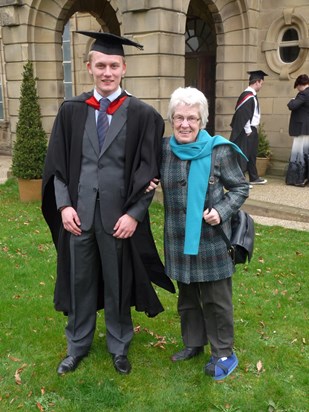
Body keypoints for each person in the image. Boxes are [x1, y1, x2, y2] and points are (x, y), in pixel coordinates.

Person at [41, 31, 175, 376]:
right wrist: (63, 206)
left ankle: (119, 345)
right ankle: (77, 345)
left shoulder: (144, 116)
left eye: (113, 65)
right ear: (89, 68)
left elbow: (150, 172)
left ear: (124, 68)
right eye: (100, 65)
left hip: (118, 217)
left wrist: (134, 214)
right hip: (79, 214)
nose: (107, 72)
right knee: (80, 281)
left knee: (118, 282)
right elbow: (56, 167)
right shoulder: (72, 111)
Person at [160, 87, 249, 380]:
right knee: (187, 296)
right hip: (178, 238)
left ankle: (224, 352)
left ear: (202, 121)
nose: (185, 124)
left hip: (211, 241)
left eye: (192, 118)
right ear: (172, 119)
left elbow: (239, 188)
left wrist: (221, 211)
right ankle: (193, 343)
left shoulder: (219, 150)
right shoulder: (164, 149)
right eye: (179, 117)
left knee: (215, 300)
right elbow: (148, 173)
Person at [230, 70, 268, 185]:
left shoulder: (252, 96)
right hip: (247, 130)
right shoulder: (247, 96)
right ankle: (240, 180)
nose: (261, 86)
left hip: (252, 129)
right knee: (243, 154)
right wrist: (248, 130)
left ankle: (254, 177)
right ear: (257, 82)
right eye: (261, 83)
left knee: (251, 154)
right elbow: (244, 114)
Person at [286, 74, 309, 187]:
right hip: (307, 129)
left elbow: (292, 106)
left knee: (299, 153)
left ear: (300, 85)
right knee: (306, 153)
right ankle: (305, 178)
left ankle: (298, 179)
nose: (297, 89)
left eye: (297, 86)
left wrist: (292, 100)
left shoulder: (303, 93)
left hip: (301, 129)